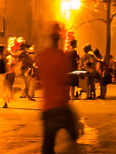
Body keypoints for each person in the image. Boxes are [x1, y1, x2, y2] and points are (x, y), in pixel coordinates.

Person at [35, 23, 80, 154]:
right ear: (58, 40)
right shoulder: (62, 56)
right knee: (74, 139)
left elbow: (39, 78)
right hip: (62, 107)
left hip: (48, 108)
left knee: (47, 146)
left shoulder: (41, 56)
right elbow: (68, 78)